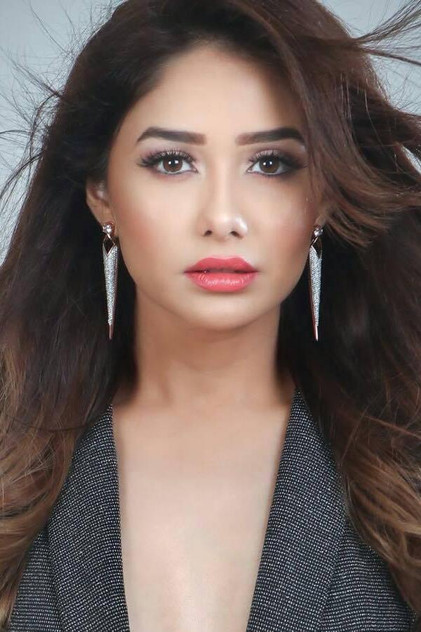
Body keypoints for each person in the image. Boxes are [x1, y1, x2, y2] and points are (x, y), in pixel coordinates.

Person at [0, 0, 420, 630]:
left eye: (271, 163)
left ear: (325, 199)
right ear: (101, 192)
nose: (223, 217)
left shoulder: (405, 458)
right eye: (172, 162)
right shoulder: (11, 453)